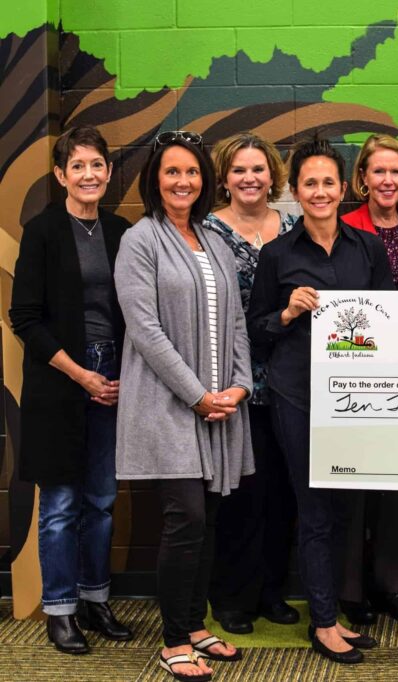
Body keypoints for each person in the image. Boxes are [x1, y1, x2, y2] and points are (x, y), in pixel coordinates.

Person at [247, 134, 394, 665]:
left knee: (343, 509)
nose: (320, 191)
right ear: (295, 189)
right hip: (298, 396)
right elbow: (256, 331)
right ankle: (324, 623)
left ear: (343, 187)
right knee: (312, 511)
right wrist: (287, 313)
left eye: (328, 182)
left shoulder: (368, 249)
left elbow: (389, 322)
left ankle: (333, 611)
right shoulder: (277, 255)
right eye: (309, 183)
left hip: (355, 397)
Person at [115, 130, 253, 681]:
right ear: (155, 179)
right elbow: (144, 330)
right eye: (172, 171)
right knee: (186, 517)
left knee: (210, 516)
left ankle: (195, 625)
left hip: (220, 405)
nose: (183, 181)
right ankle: (174, 640)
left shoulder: (213, 240)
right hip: (169, 404)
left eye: (192, 172)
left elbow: (236, 320)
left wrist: (240, 385)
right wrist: (196, 395)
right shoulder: (140, 240)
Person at [10, 126, 134, 654]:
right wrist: (81, 374)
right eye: (77, 166)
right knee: (61, 503)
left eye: (96, 165)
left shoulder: (121, 231)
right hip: (61, 379)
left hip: (115, 376)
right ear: (61, 175)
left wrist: (123, 374)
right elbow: (25, 318)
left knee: (101, 499)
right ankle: (60, 609)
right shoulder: (42, 232)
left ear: (108, 171)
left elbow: (137, 310)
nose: (88, 175)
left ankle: (94, 599)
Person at [203, 132, 300, 634]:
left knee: (283, 494)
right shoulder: (205, 231)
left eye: (258, 169)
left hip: (290, 380)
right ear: (224, 177)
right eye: (239, 170)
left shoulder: (294, 226)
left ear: (272, 175)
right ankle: (232, 598)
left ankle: (271, 592)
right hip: (233, 382)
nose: (249, 178)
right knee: (240, 494)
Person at [338, 134, 398, 624]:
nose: (388, 180)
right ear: (363, 179)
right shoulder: (345, 226)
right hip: (355, 369)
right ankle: (352, 592)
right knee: (354, 484)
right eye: (379, 171)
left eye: (396, 172)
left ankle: (394, 586)